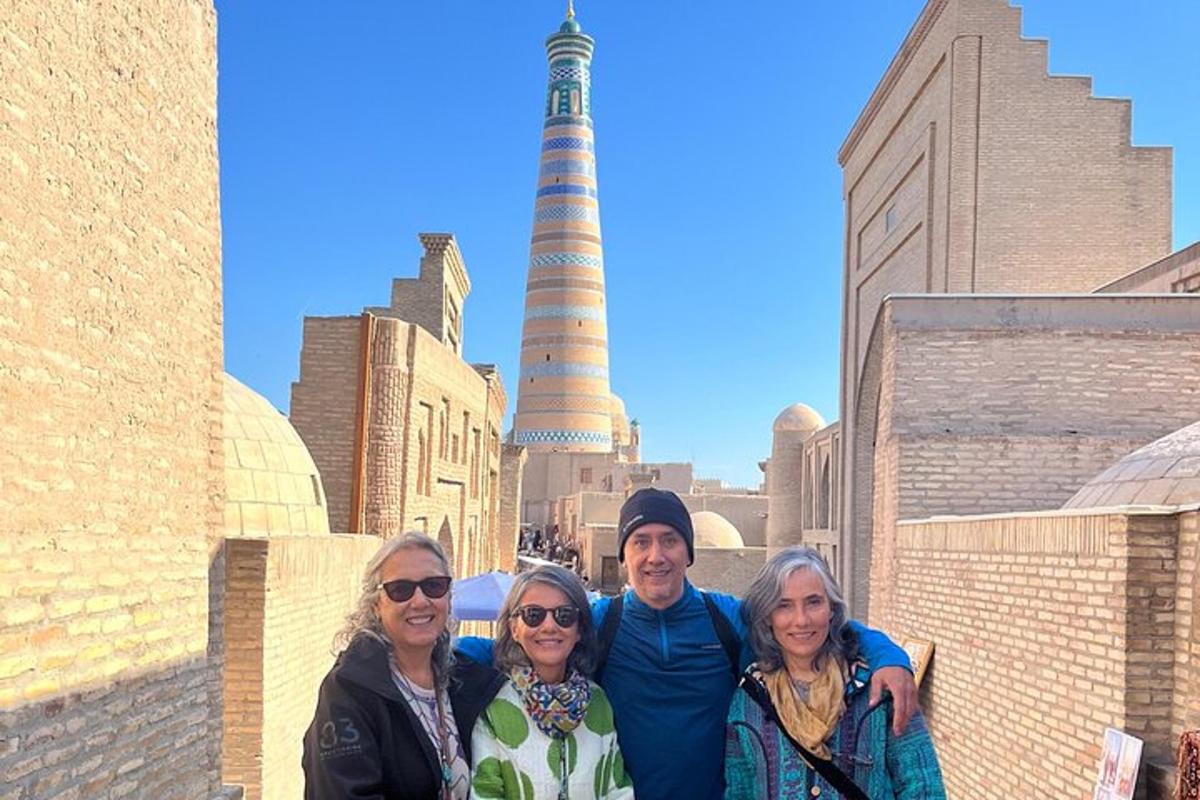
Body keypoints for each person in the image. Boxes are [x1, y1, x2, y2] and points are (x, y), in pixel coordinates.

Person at [459, 487, 918, 800]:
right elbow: (511, 650)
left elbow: (816, 630)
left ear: (688, 552)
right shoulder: (601, 623)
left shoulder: (725, 619)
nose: (655, 556)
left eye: (669, 540)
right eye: (641, 542)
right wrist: (440, 654)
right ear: (624, 556)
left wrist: (889, 657)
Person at [725, 547, 945, 799]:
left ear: (831, 609)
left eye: (813, 602)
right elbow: (739, 791)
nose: (801, 620)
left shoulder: (879, 689)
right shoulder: (750, 701)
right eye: (784, 605)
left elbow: (923, 786)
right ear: (767, 617)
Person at [303, 533, 504, 800]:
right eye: (400, 589)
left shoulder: (463, 681)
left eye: (434, 586)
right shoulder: (349, 691)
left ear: (448, 597)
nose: (420, 601)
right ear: (377, 605)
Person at [471, 564, 632, 800]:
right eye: (533, 615)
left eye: (564, 615)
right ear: (514, 629)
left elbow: (617, 789)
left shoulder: (597, 703)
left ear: (579, 630)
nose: (549, 626)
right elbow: (485, 792)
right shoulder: (494, 706)